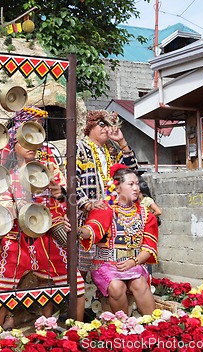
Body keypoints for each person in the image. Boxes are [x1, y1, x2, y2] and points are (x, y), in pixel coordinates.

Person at [0, 113, 85, 328]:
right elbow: (3, 208)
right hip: (17, 240)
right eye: (24, 142)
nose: (31, 146)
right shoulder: (6, 176)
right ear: (14, 145)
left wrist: (60, 193)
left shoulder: (50, 169)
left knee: (76, 286)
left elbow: (69, 197)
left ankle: (77, 332)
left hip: (49, 238)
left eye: (34, 140)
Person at [78, 166, 159, 315]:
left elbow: (149, 248)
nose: (136, 188)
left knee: (140, 284)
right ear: (117, 188)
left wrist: (133, 262)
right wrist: (78, 232)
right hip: (105, 264)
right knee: (116, 287)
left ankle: (153, 324)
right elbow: (91, 230)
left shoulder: (146, 215)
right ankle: (123, 327)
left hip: (133, 263)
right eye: (130, 184)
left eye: (137, 184)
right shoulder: (105, 209)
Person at [75, 110, 138, 279]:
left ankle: (100, 299)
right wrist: (87, 204)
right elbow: (71, 181)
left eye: (109, 125)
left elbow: (131, 170)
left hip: (112, 217)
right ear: (89, 127)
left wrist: (122, 142)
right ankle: (75, 302)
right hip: (87, 215)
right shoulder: (79, 148)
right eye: (101, 124)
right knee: (82, 264)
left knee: (106, 264)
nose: (106, 129)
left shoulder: (111, 150)